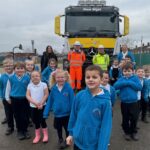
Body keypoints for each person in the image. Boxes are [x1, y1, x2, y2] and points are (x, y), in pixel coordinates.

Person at [66, 65, 112, 150]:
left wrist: (102, 148)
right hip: (78, 142)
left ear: (101, 79)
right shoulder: (79, 95)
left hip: (92, 145)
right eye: (88, 77)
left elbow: (106, 127)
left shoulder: (105, 102)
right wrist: (71, 133)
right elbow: (73, 115)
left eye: (94, 77)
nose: (90, 79)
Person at [43, 69, 74, 149]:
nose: (60, 79)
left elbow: (72, 101)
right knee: (58, 128)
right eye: (58, 77)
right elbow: (49, 101)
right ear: (55, 78)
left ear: (65, 78)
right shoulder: (53, 89)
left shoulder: (68, 88)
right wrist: (45, 112)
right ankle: (60, 139)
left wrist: (73, 113)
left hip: (67, 114)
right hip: (57, 114)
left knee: (67, 129)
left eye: (62, 77)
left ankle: (68, 140)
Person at [114, 62, 142, 141]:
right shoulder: (121, 79)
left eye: (129, 71)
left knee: (134, 118)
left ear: (133, 71)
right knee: (125, 119)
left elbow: (139, 87)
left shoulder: (135, 78)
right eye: (125, 71)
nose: (127, 73)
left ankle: (133, 132)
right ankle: (127, 133)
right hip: (124, 103)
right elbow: (115, 86)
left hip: (134, 103)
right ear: (122, 72)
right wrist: (125, 82)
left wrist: (129, 82)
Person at [5, 62, 30, 140]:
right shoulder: (11, 78)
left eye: (22, 68)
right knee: (17, 116)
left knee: (25, 116)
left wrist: (30, 99)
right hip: (14, 100)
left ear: (24, 70)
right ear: (14, 69)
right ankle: (19, 131)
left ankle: (25, 130)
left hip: (25, 99)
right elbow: (8, 89)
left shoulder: (27, 78)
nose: (19, 70)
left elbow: (30, 89)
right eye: (17, 68)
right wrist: (7, 98)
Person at [26, 71, 49, 143]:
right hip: (33, 106)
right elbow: (27, 95)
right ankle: (38, 135)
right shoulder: (29, 85)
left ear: (40, 77)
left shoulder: (44, 84)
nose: (35, 77)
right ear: (31, 78)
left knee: (42, 120)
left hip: (42, 105)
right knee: (35, 121)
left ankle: (45, 135)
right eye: (33, 76)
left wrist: (41, 103)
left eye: (37, 76)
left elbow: (46, 94)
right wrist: (35, 103)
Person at [0, 58, 14, 135]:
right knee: (8, 114)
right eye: (6, 66)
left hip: (15, 98)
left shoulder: (16, 74)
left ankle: (21, 127)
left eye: (10, 65)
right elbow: (1, 87)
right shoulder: (2, 77)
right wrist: (2, 96)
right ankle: (10, 127)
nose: (8, 67)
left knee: (18, 113)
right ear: (4, 67)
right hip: (6, 98)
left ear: (13, 66)